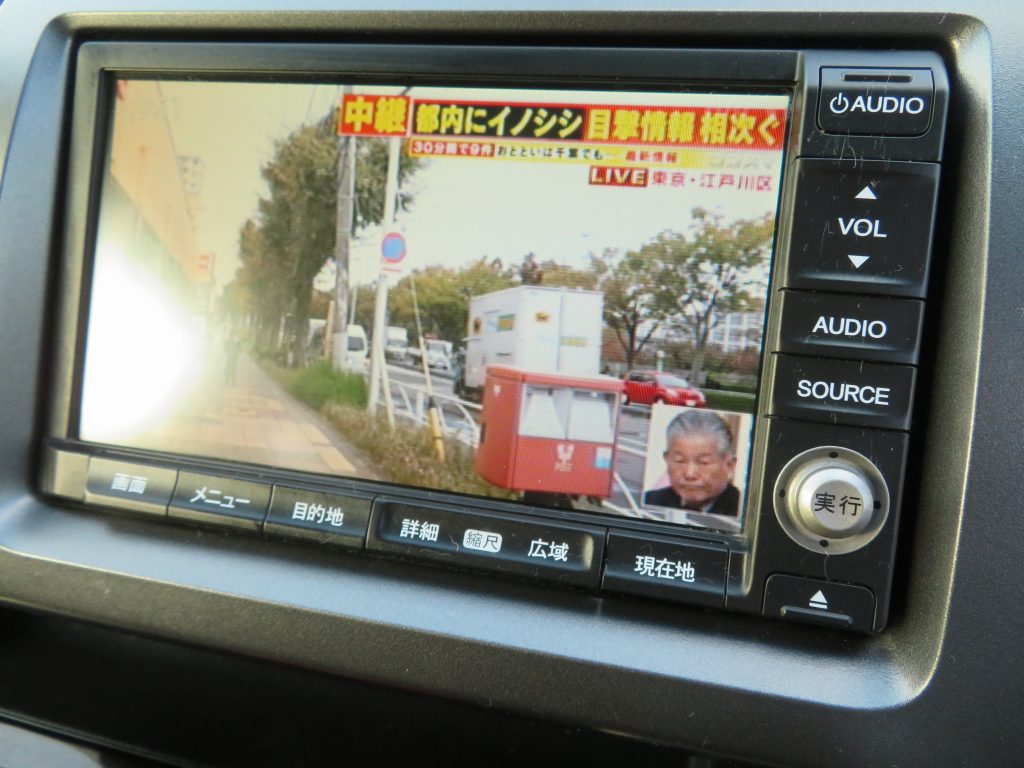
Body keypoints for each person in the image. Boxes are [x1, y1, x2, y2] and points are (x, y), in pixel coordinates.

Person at [642, 409, 740, 516]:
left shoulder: (743, 510)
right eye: (679, 461)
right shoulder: (648, 502)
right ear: (667, 460)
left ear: (729, 466)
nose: (689, 474)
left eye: (703, 463)